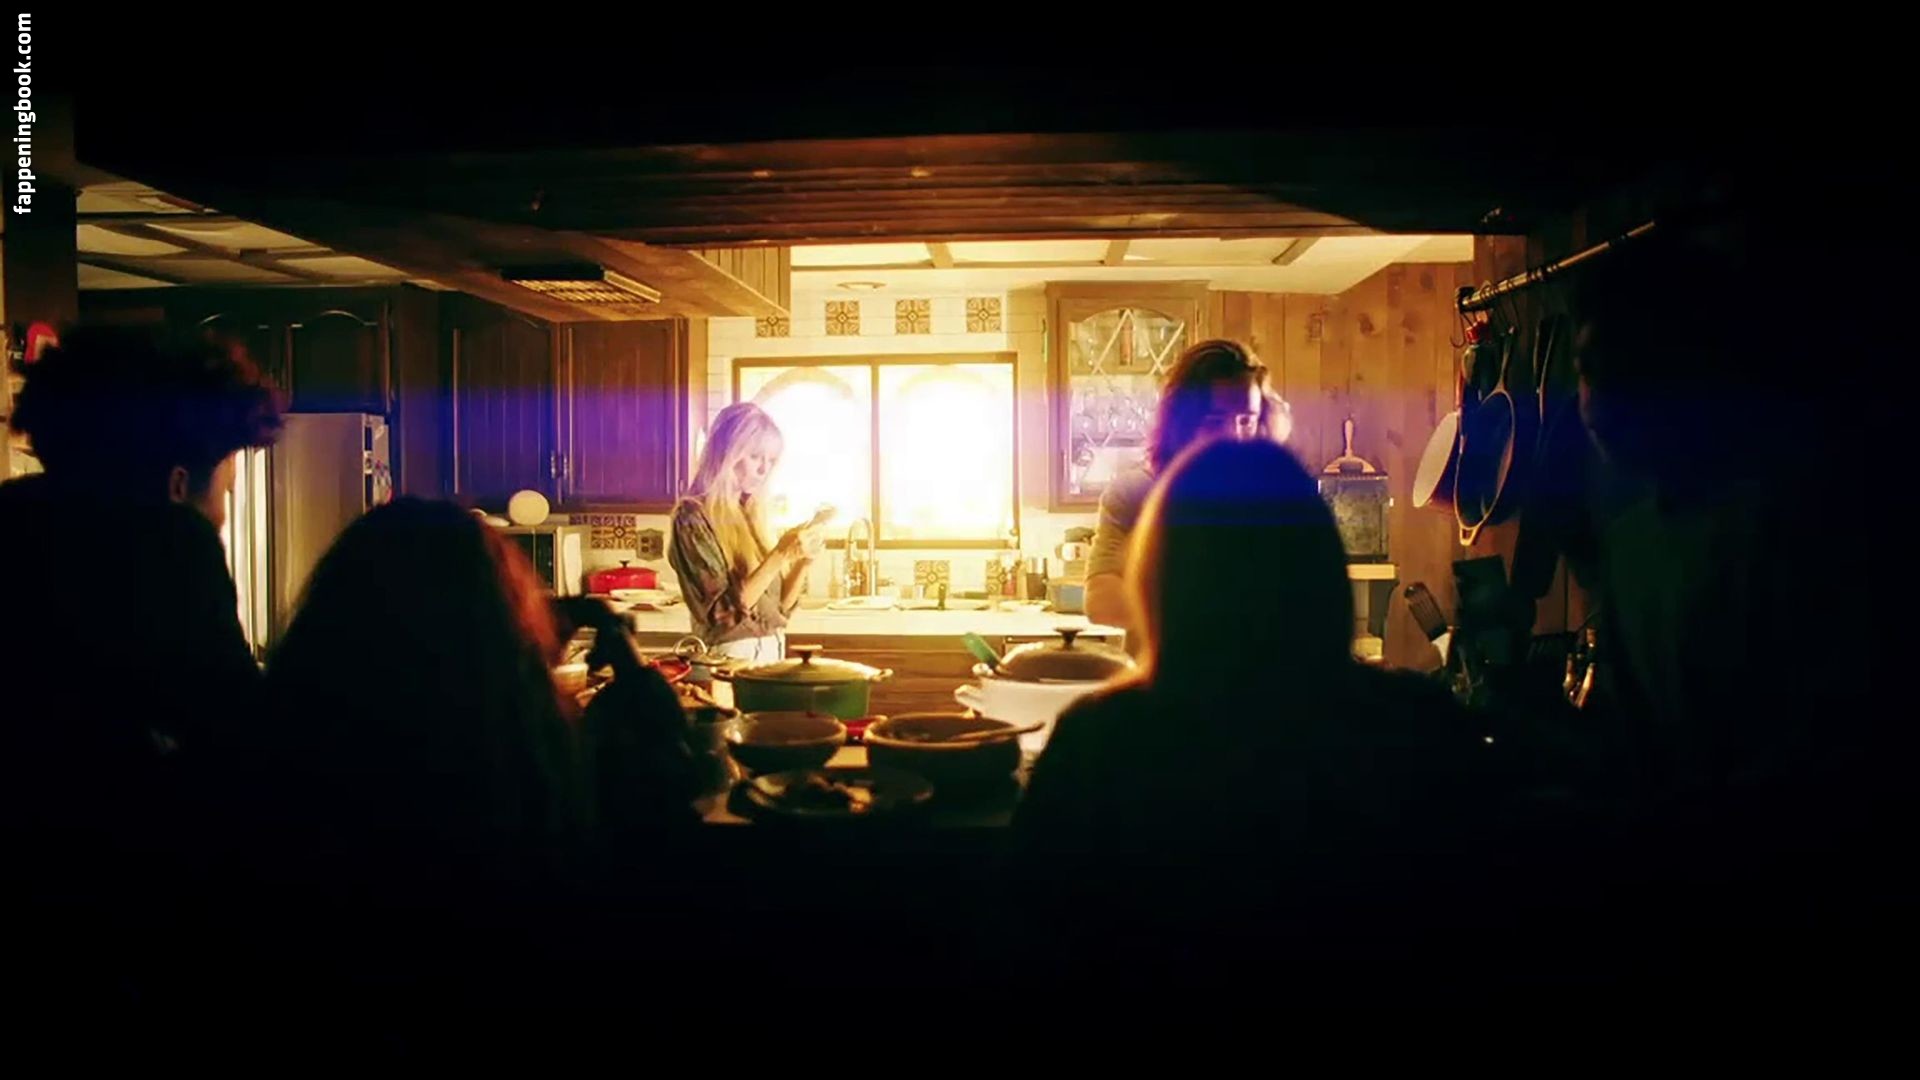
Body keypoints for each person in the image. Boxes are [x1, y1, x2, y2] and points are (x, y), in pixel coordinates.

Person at [1013, 438, 1506, 991]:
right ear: (1321, 568)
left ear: (1158, 580)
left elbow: (1035, 954)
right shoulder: (1420, 729)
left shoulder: (1098, 745)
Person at [0, 325, 283, 1005]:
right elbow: (241, 744)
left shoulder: (12, 523)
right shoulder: (169, 548)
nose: (222, 514)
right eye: (224, 491)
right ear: (178, 482)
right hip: (108, 927)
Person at [1082, 339, 1275, 631]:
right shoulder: (1137, 491)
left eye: (1246, 421)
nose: (1233, 436)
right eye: (1214, 421)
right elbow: (1101, 603)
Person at [668, 402, 825, 662]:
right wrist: (779, 555)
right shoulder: (692, 517)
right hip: (727, 658)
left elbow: (779, 610)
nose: (764, 470)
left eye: (771, 461)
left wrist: (803, 562)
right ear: (727, 454)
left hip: (772, 651)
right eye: (755, 457)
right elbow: (723, 615)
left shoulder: (751, 512)